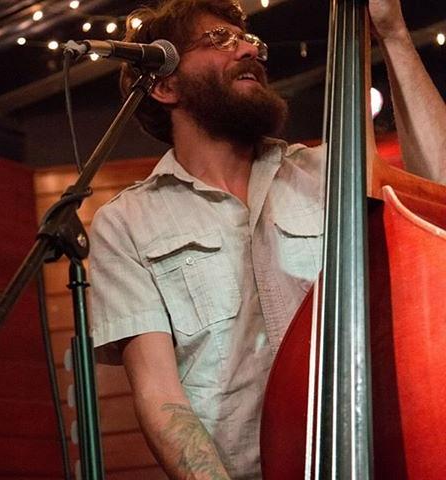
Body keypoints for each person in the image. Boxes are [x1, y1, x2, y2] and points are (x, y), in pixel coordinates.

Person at [89, 0, 446, 478]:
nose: (248, 50)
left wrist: (394, 34)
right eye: (219, 40)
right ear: (165, 85)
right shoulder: (126, 222)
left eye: (249, 40)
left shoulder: (332, 173)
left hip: (378, 457)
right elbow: (160, 395)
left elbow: (441, 189)